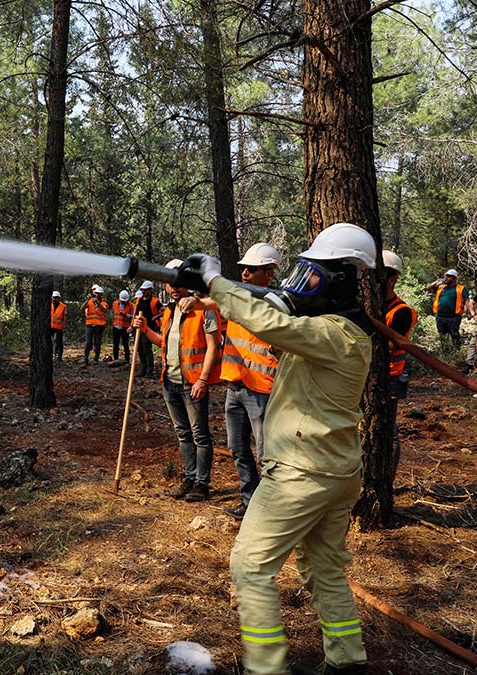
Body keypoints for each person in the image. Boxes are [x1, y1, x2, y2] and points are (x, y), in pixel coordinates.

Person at [175, 222, 377, 675]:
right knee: (323, 567)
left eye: (315, 275)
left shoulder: (335, 334)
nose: (304, 284)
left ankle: (265, 666)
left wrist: (214, 278)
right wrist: (211, 289)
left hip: (303, 472)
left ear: (340, 279)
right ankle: (347, 662)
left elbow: (270, 323)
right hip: (334, 469)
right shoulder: (338, 328)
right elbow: (270, 309)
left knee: (250, 566)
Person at [182, 243, 282, 519]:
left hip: (263, 391)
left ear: (269, 273)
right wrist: (197, 302)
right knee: (238, 449)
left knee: (266, 456)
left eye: (252, 269)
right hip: (235, 387)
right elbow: (219, 300)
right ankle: (250, 503)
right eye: (244, 269)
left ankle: (271, 512)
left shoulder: (276, 303)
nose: (246, 273)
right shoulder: (239, 297)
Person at [131, 258, 221, 502]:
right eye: (171, 283)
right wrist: (146, 330)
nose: (174, 287)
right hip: (170, 382)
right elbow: (166, 343)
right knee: (183, 434)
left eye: (180, 283)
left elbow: (213, 346)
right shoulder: (169, 311)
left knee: (200, 434)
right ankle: (190, 478)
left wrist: (203, 380)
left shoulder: (205, 308)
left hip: (193, 383)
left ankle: (202, 484)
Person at [382, 250, 418, 482]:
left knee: (389, 432)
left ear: (393, 277)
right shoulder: (372, 304)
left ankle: (387, 482)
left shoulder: (402, 312)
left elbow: (389, 346)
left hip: (391, 378)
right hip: (366, 377)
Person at [425, 269, 468, 347]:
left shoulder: (461, 288)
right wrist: (437, 281)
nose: (446, 278)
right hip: (440, 316)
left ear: (454, 278)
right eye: (446, 276)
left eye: (449, 277)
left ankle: (456, 352)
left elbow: (467, 300)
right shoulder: (440, 287)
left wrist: (468, 312)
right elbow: (428, 288)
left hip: (454, 317)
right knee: (442, 336)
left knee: (454, 335)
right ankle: (445, 352)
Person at [135, 280, 161, 376]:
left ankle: (149, 371)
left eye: (145, 290)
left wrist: (155, 317)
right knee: (140, 348)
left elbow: (163, 310)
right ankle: (143, 369)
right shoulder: (139, 300)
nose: (143, 292)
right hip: (138, 328)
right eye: (142, 290)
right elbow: (135, 313)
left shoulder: (155, 301)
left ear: (150, 290)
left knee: (147, 348)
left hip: (149, 328)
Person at [82, 285, 108, 367]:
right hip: (89, 325)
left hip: (99, 326)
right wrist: (87, 300)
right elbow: (82, 308)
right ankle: (86, 358)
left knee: (97, 343)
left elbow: (104, 310)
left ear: (101, 295)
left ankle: (96, 359)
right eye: (95, 293)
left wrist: (98, 302)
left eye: (99, 294)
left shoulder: (104, 303)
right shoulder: (89, 302)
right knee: (88, 342)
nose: (97, 295)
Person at [111, 290, 134, 362]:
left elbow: (133, 316)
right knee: (115, 344)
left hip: (125, 327)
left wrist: (126, 315)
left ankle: (127, 360)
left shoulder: (131, 305)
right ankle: (116, 359)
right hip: (116, 326)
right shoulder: (115, 303)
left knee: (125, 344)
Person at [49, 291, 67, 362]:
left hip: (59, 327)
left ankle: (59, 356)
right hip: (50, 327)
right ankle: (51, 355)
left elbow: (65, 317)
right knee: (49, 342)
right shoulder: (49, 305)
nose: (54, 299)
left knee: (58, 342)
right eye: (53, 298)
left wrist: (64, 325)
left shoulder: (63, 306)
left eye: (56, 298)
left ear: (59, 298)